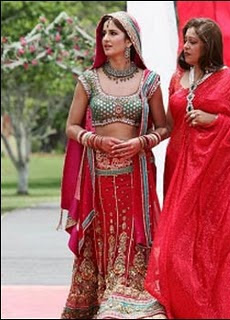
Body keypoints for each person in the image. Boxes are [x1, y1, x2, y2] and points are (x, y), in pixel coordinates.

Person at [145, 17, 230, 319]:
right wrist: (140, 142)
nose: (186, 46)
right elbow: (169, 125)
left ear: (209, 46)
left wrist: (216, 121)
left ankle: (209, 312)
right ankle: (185, 310)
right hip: (179, 169)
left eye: (194, 41)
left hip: (214, 177)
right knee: (172, 248)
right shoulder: (176, 79)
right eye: (186, 39)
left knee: (208, 249)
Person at [60, 11, 168, 319]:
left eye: (113, 33)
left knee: (132, 233)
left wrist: (139, 143)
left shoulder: (149, 81)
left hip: (136, 175)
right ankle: (104, 294)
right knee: (102, 235)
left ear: (130, 41)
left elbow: (163, 128)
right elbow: (71, 126)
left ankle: (129, 294)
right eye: (104, 33)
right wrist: (95, 142)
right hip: (98, 177)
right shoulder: (89, 79)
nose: (106, 39)